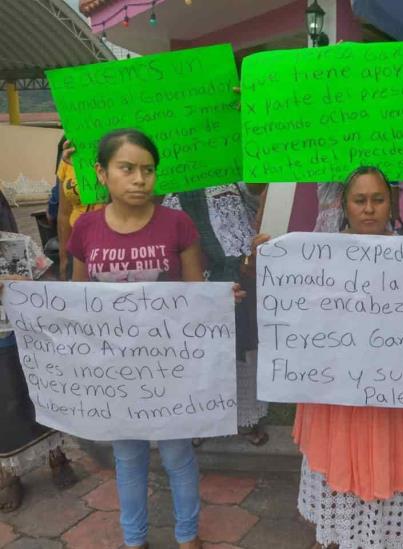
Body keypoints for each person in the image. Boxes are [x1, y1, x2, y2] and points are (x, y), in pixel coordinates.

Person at [254, 166, 403, 549]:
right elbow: (293, 309)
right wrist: (261, 262)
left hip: (394, 397)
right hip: (335, 395)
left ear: (391, 202)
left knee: (386, 471)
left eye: (378, 199)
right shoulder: (319, 255)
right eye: (359, 200)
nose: (369, 209)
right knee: (337, 475)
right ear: (344, 205)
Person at [67, 128, 244, 549]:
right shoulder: (86, 228)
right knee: (127, 458)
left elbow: (192, 292)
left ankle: (187, 536)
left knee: (177, 455)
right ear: (102, 173)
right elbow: (74, 299)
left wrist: (217, 300)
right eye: (126, 168)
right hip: (115, 370)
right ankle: (134, 539)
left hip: (168, 367)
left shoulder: (177, 223)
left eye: (148, 169)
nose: (139, 179)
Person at [163, 183, 269, 445]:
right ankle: (202, 419)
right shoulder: (166, 172)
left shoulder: (231, 168)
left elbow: (256, 188)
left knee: (243, 341)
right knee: (200, 349)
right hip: (190, 271)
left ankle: (246, 418)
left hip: (239, 266)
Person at [0, 200, 76, 513]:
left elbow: (51, 287)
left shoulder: (14, 246)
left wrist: (28, 285)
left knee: (40, 396)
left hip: (25, 341)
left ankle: (56, 457)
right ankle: (8, 474)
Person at [57, 139, 105, 280]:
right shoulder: (70, 157)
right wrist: (64, 257)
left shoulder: (122, 157)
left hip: (110, 245)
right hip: (78, 249)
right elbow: (64, 213)